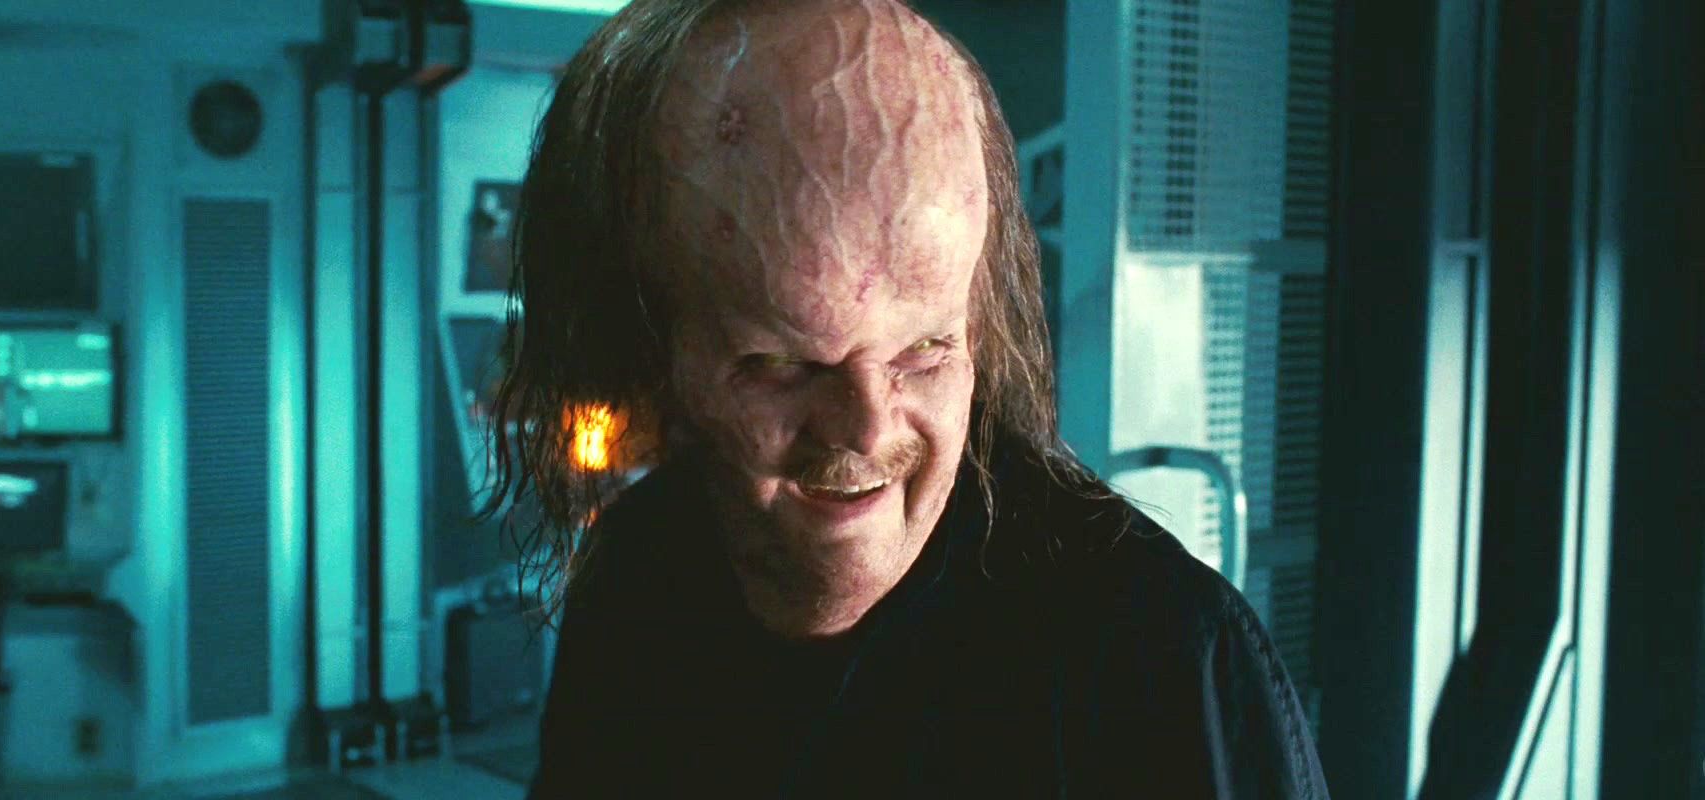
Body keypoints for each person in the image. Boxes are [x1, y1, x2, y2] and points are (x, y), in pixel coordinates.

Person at [488, 0, 1330, 796]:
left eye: (925, 349)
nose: (868, 426)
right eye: (783, 364)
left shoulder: (1159, 661)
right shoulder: (637, 577)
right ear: (647, 348)